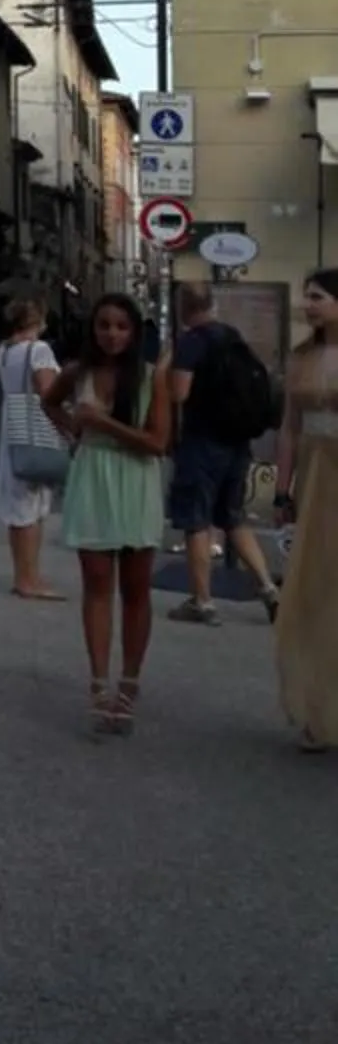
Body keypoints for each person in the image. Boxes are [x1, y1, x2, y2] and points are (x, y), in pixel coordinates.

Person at [49, 294, 172, 739]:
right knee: (97, 584)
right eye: (104, 325)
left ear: (135, 331)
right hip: (92, 479)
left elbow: (158, 442)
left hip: (136, 479)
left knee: (136, 588)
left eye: (121, 326)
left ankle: (129, 684)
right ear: (92, 329)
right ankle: (99, 684)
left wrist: (98, 423)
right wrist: (72, 428)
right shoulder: (77, 372)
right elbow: (50, 401)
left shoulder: (149, 377)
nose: (112, 334)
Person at [164, 280, 283, 625]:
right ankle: (268, 589)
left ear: (183, 307)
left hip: (202, 442)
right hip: (237, 443)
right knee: (232, 516)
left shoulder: (192, 342)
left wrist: (169, 364)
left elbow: (179, 394)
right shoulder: (231, 335)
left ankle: (202, 601)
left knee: (196, 519)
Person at [271, 268, 338, 752]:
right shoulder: (301, 358)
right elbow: (289, 429)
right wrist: (281, 489)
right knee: (314, 595)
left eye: (317, 297)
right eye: (306, 296)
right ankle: (319, 710)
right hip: (317, 477)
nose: (308, 305)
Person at [0, 295, 69, 601]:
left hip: (13, 426)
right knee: (32, 506)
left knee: (17, 504)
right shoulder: (39, 350)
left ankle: (22, 574)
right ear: (37, 320)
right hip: (37, 428)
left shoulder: (4, 350)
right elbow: (48, 391)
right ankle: (29, 578)